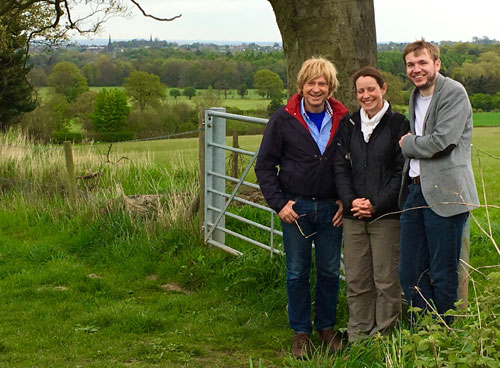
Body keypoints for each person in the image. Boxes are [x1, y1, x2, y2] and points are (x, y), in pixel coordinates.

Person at [255, 57, 347, 359]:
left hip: (332, 210)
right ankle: (300, 332)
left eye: (322, 83)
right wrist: (279, 204)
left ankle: (326, 328)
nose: (316, 88)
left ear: (330, 87)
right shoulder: (283, 119)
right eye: (311, 82)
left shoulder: (344, 119)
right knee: (296, 272)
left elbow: (351, 165)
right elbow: (265, 166)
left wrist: (345, 200)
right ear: (301, 85)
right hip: (296, 207)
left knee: (330, 272)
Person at [398, 39, 479, 325]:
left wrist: (408, 144)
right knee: (409, 271)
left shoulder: (453, 92)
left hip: (446, 194)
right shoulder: (415, 96)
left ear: (437, 64)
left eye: (422, 63)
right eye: (411, 64)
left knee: (443, 272)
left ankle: (445, 339)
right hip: (415, 191)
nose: (416, 69)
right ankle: (423, 332)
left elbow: (443, 142)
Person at [334, 66, 409, 342]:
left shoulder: (399, 124)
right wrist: (352, 201)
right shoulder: (349, 124)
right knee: (356, 279)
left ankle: (385, 337)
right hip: (354, 216)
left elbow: (400, 171)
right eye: (360, 91)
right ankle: (358, 336)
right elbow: (340, 168)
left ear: (383, 88)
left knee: (387, 281)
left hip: (386, 216)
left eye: (371, 89)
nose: (366, 95)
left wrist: (375, 204)